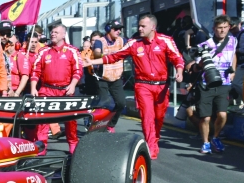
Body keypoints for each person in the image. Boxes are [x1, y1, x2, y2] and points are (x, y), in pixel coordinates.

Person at [84, 13, 184, 159]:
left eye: (143, 26)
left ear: (153, 27)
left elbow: (177, 58)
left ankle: (154, 138)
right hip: (143, 86)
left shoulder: (165, 40)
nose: (140, 28)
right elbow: (114, 56)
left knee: (159, 117)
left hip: (162, 86)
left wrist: (179, 71)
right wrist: (92, 62)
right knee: (147, 117)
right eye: (139, 26)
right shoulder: (133, 43)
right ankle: (151, 147)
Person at [27, 22, 83, 153]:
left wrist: (73, 85)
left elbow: (78, 70)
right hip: (46, 89)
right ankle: (41, 146)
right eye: (52, 32)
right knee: (42, 119)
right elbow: (35, 71)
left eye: (56, 32)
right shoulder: (43, 51)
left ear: (63, 34)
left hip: (65, 90)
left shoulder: (72, 51)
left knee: (71, 120)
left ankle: (73, 143)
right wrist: (34, 88)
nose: (52, 34)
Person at [193, 15, 236, 154]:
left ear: (229, 27)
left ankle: (215, 137)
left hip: (224, 83)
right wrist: (201, 63)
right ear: (214, 29)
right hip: (207, 84)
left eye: (225, 27)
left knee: (222, 115)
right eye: (219, 28)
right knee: (205, 117)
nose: (222, 31)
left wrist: (233, 70)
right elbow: (196, 66)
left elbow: (234, 55)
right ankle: (205, 142)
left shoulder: (233, 40)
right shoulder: (204, 45)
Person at [92, 20, 127, 128]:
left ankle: (110, 125)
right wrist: (106, 54)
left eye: (120, 29)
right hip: (103, 77)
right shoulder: (100, 41)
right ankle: (97, 126)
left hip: (116, 78)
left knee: (121, 103)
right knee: (104, 103)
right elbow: (97, 53)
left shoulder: (122, 41)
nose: (119, 31)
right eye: (116, 29)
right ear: (108, 29)